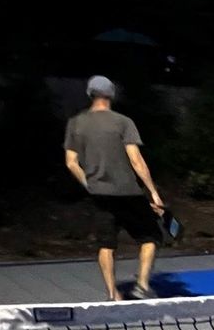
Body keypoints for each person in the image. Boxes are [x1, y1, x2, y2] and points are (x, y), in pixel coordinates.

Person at [63, 76, 166, 300]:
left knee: (106, 243)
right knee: (151, 237)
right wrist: (154, 193)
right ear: (111, 94)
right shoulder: (123, 122)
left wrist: (89, 184)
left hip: (99, 194)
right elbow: (136, 161)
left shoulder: (76, 123)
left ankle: (113, 294)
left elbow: (71, 162)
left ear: (90, 94)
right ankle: (142, 285)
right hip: (128, 192)